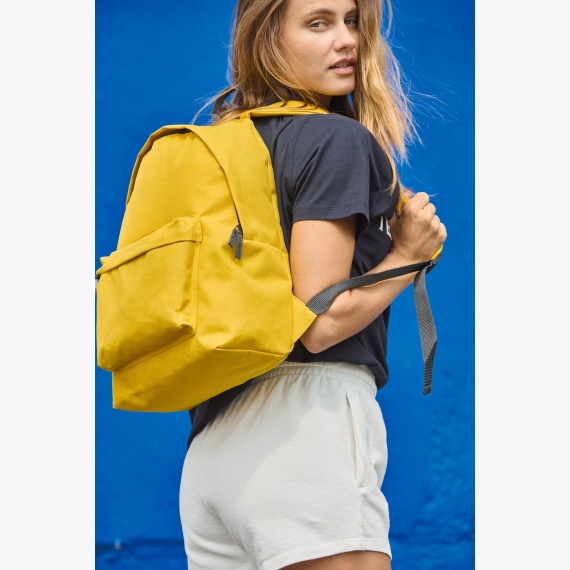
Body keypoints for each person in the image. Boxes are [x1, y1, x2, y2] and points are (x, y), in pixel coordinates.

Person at [179, 0, 447, 568]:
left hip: (212, 442)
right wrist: (407, 255)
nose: (347, 39)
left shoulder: (226, 146)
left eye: (351, 21)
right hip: (306, 427)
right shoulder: (335, 139)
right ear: (266, 37)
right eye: (319, 23)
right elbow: (319, 322)